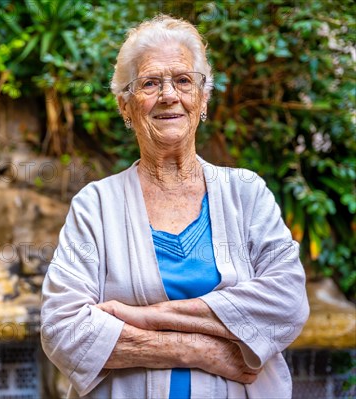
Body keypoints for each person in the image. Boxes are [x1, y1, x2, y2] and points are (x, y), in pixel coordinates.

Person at [40, 14, 309, 398]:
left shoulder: (247, 192)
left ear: (202, 98)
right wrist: (196, 351)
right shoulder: (96, 206)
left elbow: (288, 304)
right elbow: (62, 330)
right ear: (125, 106)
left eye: (183, 81)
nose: (169, 95)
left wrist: (142, 318)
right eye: (150, 83)